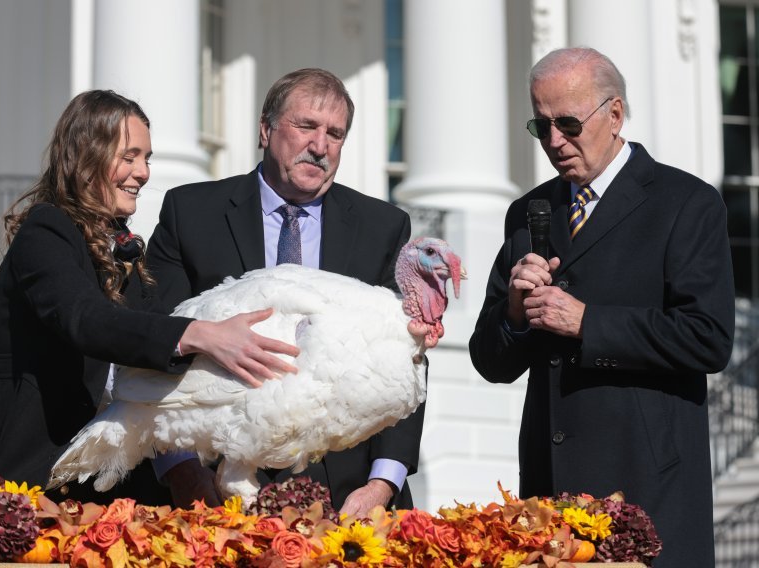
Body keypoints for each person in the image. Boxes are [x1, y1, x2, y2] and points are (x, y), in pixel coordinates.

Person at [469, 47, 734, 567]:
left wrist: (588, 323)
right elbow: (490, 360)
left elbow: (708, 336)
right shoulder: (528, 212)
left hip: (647, 487)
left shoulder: (686, 203)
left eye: (568, 123)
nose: (553, 142)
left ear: (614, 115)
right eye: (540, 126)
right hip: (549, 498)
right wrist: (516, 314)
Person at [0, 90, 298, 505]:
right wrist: (201, 334)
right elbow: (85, 319)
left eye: (146, 159)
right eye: (129, 157)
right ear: (86, 156)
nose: (142, 173)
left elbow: (154, 337)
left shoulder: (125, 249)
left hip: (118, 492)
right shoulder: (46, 231)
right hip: (34, 482)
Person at [147, 68, 429, 516]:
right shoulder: (192, 213)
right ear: (266, 129)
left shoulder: (382, 228)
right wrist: (182, 468)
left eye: (335, 134)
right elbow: (156, 337)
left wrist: (383, 482)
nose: (320, 146)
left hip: (345, 492)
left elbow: (407, 360)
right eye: (306, 127)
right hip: (214, 483)